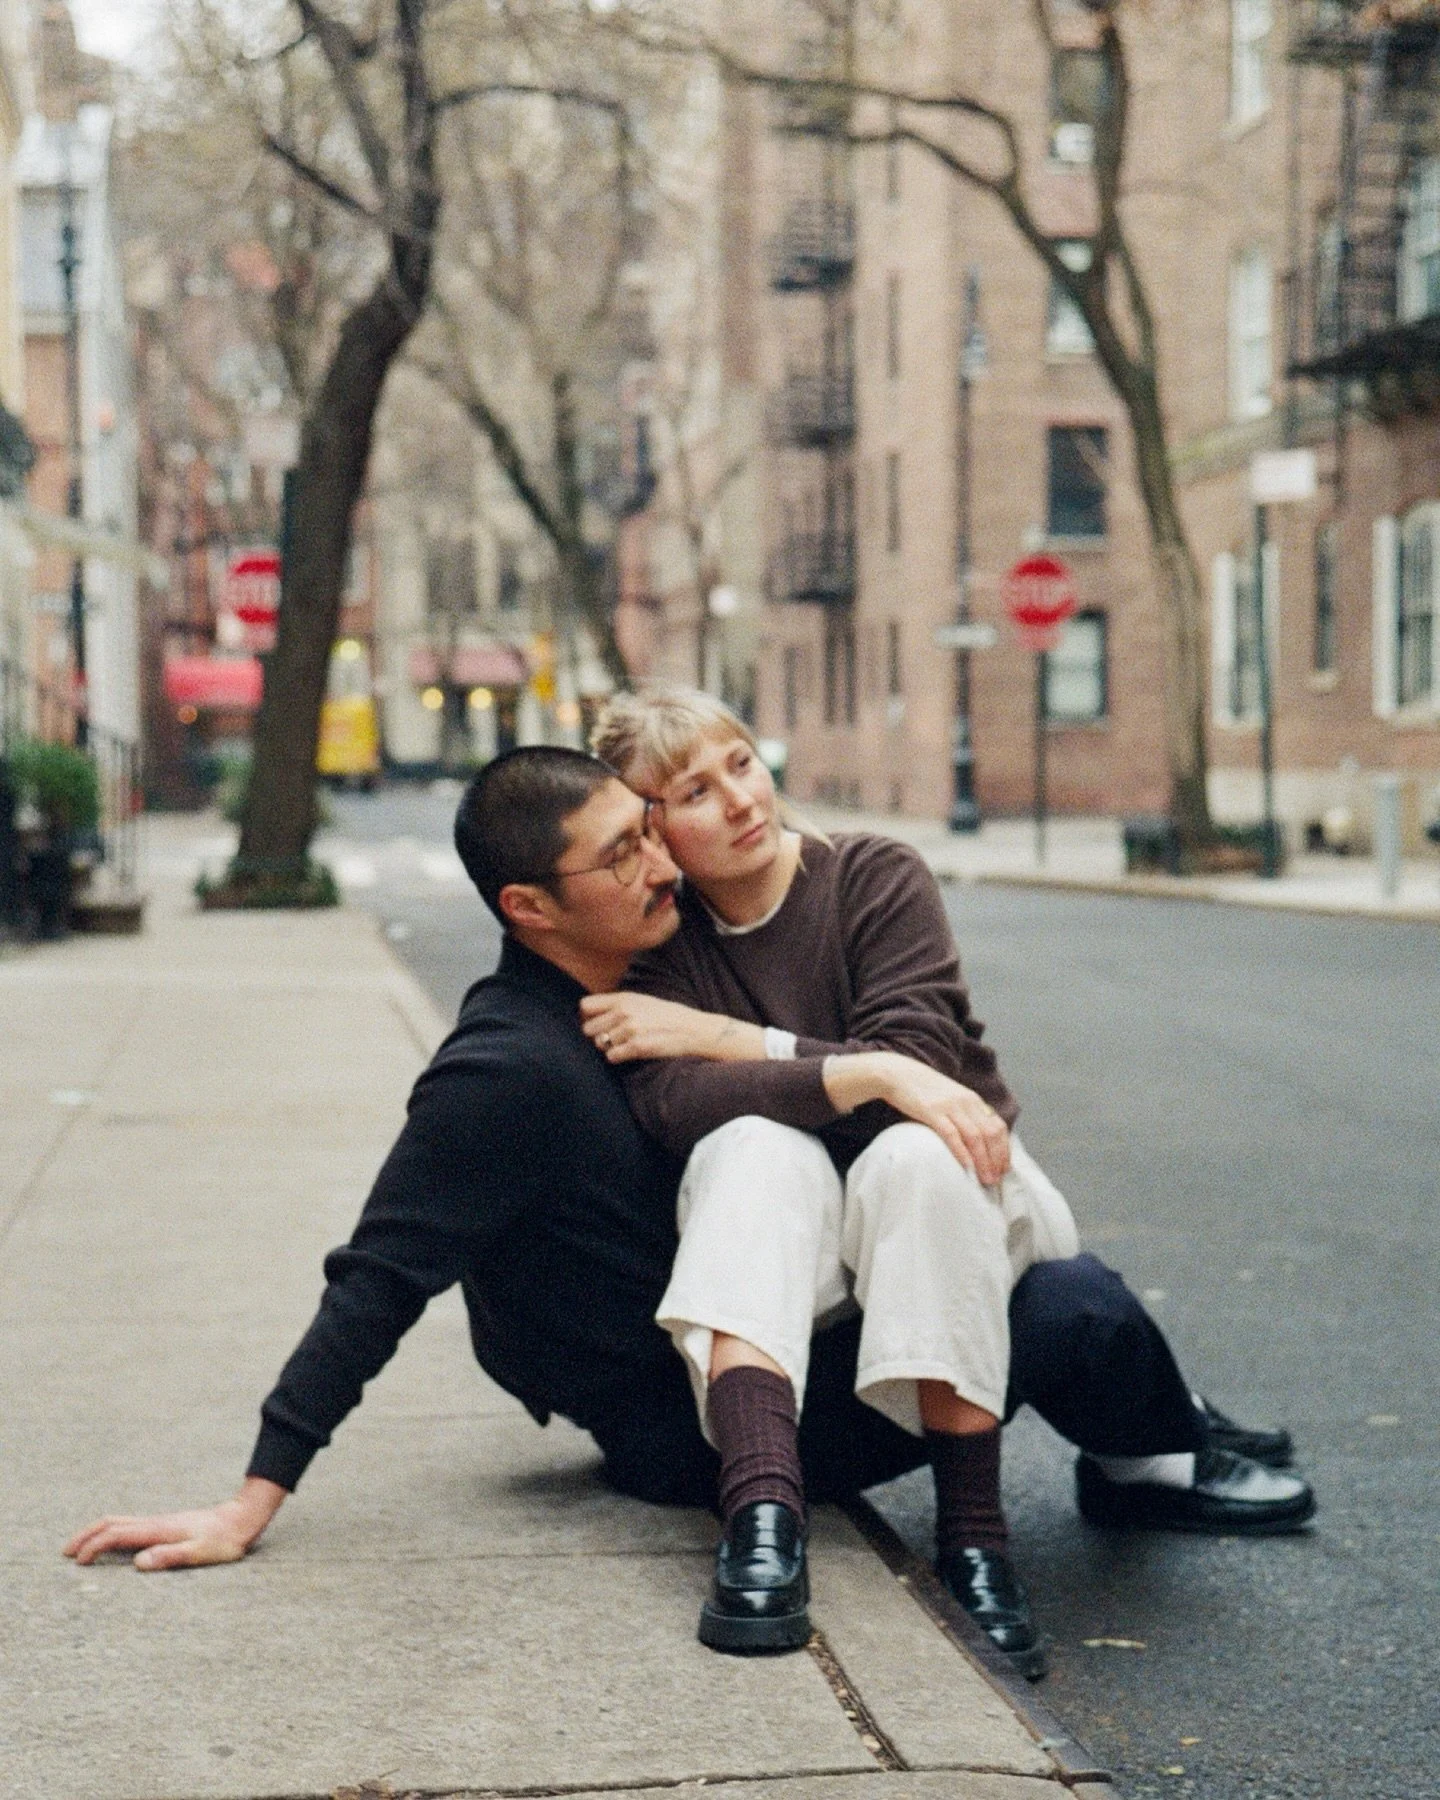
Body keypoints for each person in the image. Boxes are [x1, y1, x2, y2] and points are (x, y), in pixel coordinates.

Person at [64, 747, 1308, 1680]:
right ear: (527, 912)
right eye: (619, 859)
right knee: (1067, 1305)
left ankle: (1169, 1436)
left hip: (757, 1351)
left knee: (964, 1213)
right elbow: (379, 1276)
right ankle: (1158, 1453)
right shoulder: (507, 1070)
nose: (662, 864)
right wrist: (250, 1497)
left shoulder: (652, 979)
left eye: (644, 833)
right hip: (691, 1431)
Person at [584, 687, 1315, 1668]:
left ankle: (975, 1541)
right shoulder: (660, 956)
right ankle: (762, 1524)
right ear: (656, 829)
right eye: (695, 792)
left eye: (742, 764)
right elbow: (672, 1106)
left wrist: (737, 1043)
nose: (742, 800)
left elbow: (916, 1071)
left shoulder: (870, 876)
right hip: (809, 1276)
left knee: (916, 1156)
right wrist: (854, 1070)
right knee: (753, 1147)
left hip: (967, 1202)